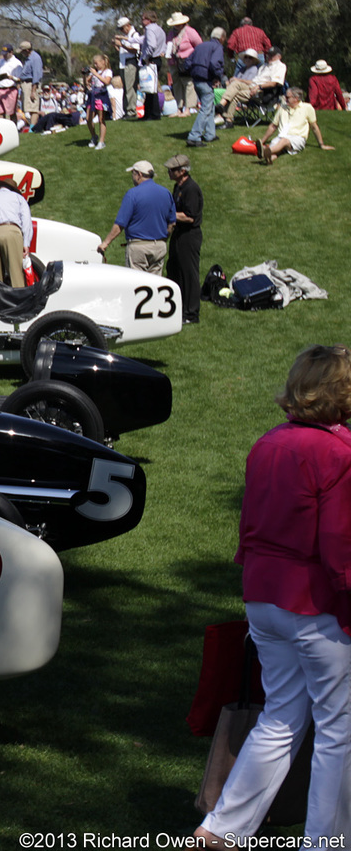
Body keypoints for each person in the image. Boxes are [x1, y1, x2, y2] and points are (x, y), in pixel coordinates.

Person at [194, 345, 351, 849]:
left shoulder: (268, 443)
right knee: (337, 730)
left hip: (262, 596)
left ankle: (221, 827)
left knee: (281, 715)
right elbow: (340, 545)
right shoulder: (339, 453)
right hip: (317, 604)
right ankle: (326, 840)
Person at [98, 161, 176, 274]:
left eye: (133, 174)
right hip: (159, 247)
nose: (132, 177)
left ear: (139, 174)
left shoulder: (133, 194)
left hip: (138, 248)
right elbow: (172, 223)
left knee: (137, 286)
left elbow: (120, 224)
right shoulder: (166, 193)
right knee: (154, 286)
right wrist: (163, 240)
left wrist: (105, 243)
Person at [160, 154, 205, 325]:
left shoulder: (191, 189)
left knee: (189, 273)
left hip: (189, 236)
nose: (169, 172)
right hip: (179, 234)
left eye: (172, 170)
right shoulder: (178, 187)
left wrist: (169, 215)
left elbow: (190, 217)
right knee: (174, 269)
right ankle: (177, 307)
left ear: (183, 171)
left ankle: (191, 313)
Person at [259, 87, 335, 165]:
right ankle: (269, 158)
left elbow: (314, 127)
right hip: (281, 136)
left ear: (296, 98)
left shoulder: (307, 107)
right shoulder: (283, 107)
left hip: (297, 138)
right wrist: (262, 141)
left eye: (288, 97)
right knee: (278, 147)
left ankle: (266, 151)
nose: (285, 99)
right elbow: (273, 126)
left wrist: (321, 144)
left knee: (283, 142)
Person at [185, 27, 227, 147]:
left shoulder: (200, 46)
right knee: (206, 109)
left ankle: (210, 134)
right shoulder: (217, 47)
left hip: (196, 80)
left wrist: (194, 71)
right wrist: (217, 76)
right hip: (206, 80)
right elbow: (214, 63)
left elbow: (187, 62)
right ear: (222, 38)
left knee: (210, 107)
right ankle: (194, 136)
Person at [166, 13, 203, 114]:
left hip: (187, 62)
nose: (177, 26)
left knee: (188, 83)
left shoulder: (190, 32)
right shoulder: (171, 33)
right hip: (174, 62)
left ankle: (188, 108)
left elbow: (199, 45)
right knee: (177, 84)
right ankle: (179, 108)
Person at [139, 11, 167, 122]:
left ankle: (154, 114)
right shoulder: (159, 29)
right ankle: (148, 113)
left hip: (151, 59)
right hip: (157, 58)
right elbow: (163, 44)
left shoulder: (149, 29)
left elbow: (151, 44)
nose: (142, 21)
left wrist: (146, 57)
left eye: (143, 19)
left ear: (148, 20)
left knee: (150, 88)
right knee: (151, 87)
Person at [113, 17, 142, 110]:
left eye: (122, 28)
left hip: (131, 62)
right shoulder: (126, 37)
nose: (121, 31)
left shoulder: (134, 35)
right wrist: (117, 45)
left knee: (130, 87)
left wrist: (121, 45)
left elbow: (134, 50)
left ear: (127, 25)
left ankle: (131, 109)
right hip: (124, 63)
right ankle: (126, 109)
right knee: (125, 88)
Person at [85, 55, 113, 150]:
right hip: (92, 95)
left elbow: (107, 81)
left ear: (103, 62)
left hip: (101, 95)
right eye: (94, 63)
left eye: (97, 63)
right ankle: (94, 136)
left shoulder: (107, 71)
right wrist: (85, 76)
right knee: (88, 118)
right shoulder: (94, 72)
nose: (95, 65)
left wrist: (96, 74)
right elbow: (87, 82)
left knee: (101, 119)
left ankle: (101, 141)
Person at [13, 41, 44, 127]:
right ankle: (31, 126)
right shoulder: (28, 58)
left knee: (33, 108)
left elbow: (36, 75)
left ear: (27, 50)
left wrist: (33, 91)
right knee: (27, 108)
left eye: (22, 51)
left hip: (31, 85)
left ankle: (32, 127)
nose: (22, 53)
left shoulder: (35, 58)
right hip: (25, 84)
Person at [0, 45, 22, 119]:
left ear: (11, 52)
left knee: (11, 113)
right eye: (3, 53)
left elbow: (20, 79)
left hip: (10, 89)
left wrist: (11, 77)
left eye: (6, 53)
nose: (4, 55)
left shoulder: (17, 63)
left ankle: (13, 128)